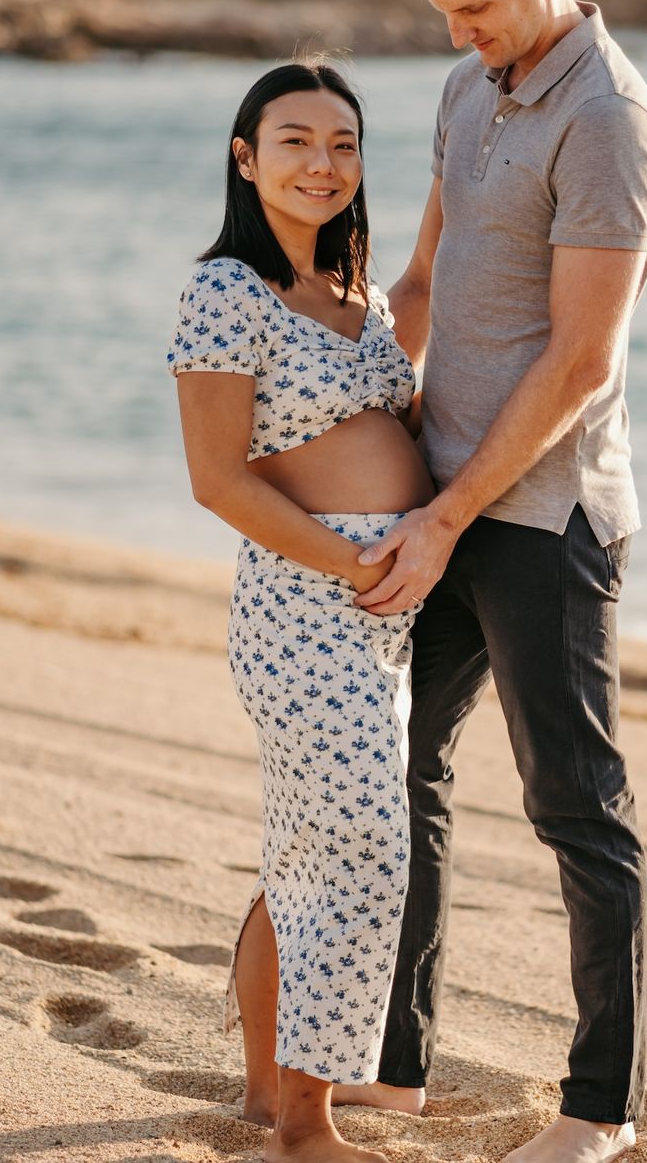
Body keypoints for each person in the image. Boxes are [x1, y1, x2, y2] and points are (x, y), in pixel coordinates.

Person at [332, 0, 647, 1161]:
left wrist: (446, 516)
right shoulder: (469, 90)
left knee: (577, 803)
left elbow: (581, 359)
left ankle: (605, 1107)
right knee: (399, 768)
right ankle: (396, 1060)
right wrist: (339, 431)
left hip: (544, 517)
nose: (461, 32)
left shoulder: (609, 122)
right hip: (437, 500)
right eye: (443, 12)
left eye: (477, 6)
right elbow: (419, 285)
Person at [169, 60, 432, 1163]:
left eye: (344, 144)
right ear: (246, 157)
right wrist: (351, 561)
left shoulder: (355, 294)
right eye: (294, 141)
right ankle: (308, 1124)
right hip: (305, 604)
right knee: (367, 846)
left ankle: (268, 1093)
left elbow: (421, 291)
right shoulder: (224, 290)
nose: (322, 163)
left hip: (382, 612)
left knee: (306, 851)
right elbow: (219, 480)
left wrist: (468, 167)